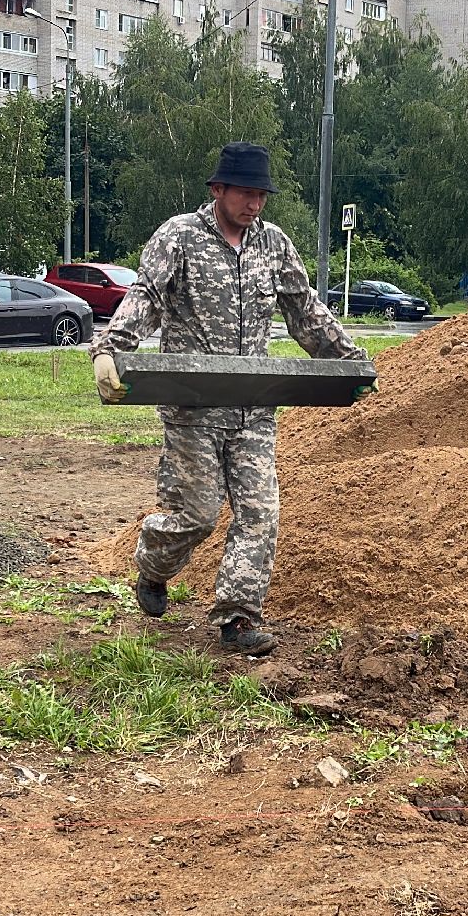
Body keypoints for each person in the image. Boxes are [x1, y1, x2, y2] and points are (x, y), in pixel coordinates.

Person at [90, 141, 366, 656]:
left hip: (252, 409)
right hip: (193, 408)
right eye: (244, 192)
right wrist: (109, 351)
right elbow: (145, 298)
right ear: (217, 189)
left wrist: (354, 361)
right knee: (196, 515)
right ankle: (152, 566)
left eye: (261, 195)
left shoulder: (274, 245)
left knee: (260, 513)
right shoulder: (180, 238)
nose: (254, 204)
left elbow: (304, 311)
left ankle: (237, 618)